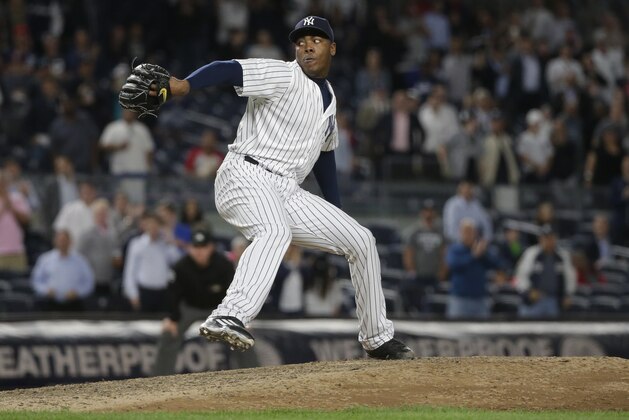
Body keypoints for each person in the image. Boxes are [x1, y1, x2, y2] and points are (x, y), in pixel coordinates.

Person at [137, 16, 413, 359]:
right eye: (301, 40)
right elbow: (229, 68)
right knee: (275, 231)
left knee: (361, 240)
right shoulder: (283, 74)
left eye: (316, 39)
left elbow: (325, 158)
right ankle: (230, 314)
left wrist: (336, 213)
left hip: (287, 189)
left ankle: (377, 337)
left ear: (333, 47)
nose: (307, 45)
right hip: (246, 174)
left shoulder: (329, 99)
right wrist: (182, 86)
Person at [152, 228, 235, 376]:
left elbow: (234, 293)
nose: (199, 251)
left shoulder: (224, 265)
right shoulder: (180, 267)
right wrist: (172, 318)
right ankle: (159, 379)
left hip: (219, 308)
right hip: (190, 307)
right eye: (195, 247)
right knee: (169, 333)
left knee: (241, 333)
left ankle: (252, 380)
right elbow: (173, 295)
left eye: (203, 247)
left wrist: (241, 317)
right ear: (189, 247)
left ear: (211, 247)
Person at [122, 211, 181, 312]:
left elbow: (177, 261)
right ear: (145, 226)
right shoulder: (137, 244)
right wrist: (133, 294)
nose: (153, 227)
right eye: (150, 224)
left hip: (163, 293)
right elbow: (130, 271)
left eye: (156, 224)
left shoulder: (165, 244)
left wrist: (171, 240)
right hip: (144, 292)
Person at [514, 224, 577, 318]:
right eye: (546, 238)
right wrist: (528, 292)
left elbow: (571, 277)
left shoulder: (562, 256)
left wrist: (568, 295)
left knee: (553, 331)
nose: (548, 241)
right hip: (534, 302)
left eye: (551, 237)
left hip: (554, 300)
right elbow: (520, 276)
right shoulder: (531, 253)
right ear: (540, 239)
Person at [445, 219, 503, 319]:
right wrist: (473, 256)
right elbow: (454, 265)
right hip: (460, 299)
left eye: (471, 231)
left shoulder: (481, 250)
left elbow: (496, 264)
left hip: (480, 299)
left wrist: (483, 253)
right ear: (460, 233)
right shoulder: (455, 249)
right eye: (466, 231)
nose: (468, 235)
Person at [99, 109, 155, 204]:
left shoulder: (142, 129)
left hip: (138, 173)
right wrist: (118, 146)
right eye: (127, 111)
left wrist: (148, 168)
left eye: (131, 111)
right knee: (120, 200)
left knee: (138, 201)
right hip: (119, 172)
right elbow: (102, 145)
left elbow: (149, 150)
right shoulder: (113, 127)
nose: (129, 113)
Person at [31, 230, 95, 311]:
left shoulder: (81, 261)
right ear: (55, 241)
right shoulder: (45, 259)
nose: (63, 243)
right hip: (50, 304)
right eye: (60, 240)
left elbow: (89, 282)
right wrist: (46, 290)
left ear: (70, 242)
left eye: (65, 240)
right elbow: (36, 280)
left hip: (74, 304)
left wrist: (78, 292)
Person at [401, 199, 445, 312]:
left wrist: (442, 272)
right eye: (426, 211)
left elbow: (444, 253)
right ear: (422, 213)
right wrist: (411, 269)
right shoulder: (415, 232)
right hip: (418, 277)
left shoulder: (440, 232)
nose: (429, 214)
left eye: (431, 211)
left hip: (435, 277)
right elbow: (408, 252)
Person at [0, 171, 31, 272]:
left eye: (4, 182)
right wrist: (4, 207)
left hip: (17, 250)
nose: (2, 184)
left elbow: (26, 220)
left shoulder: (17, 198)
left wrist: (11, 207)